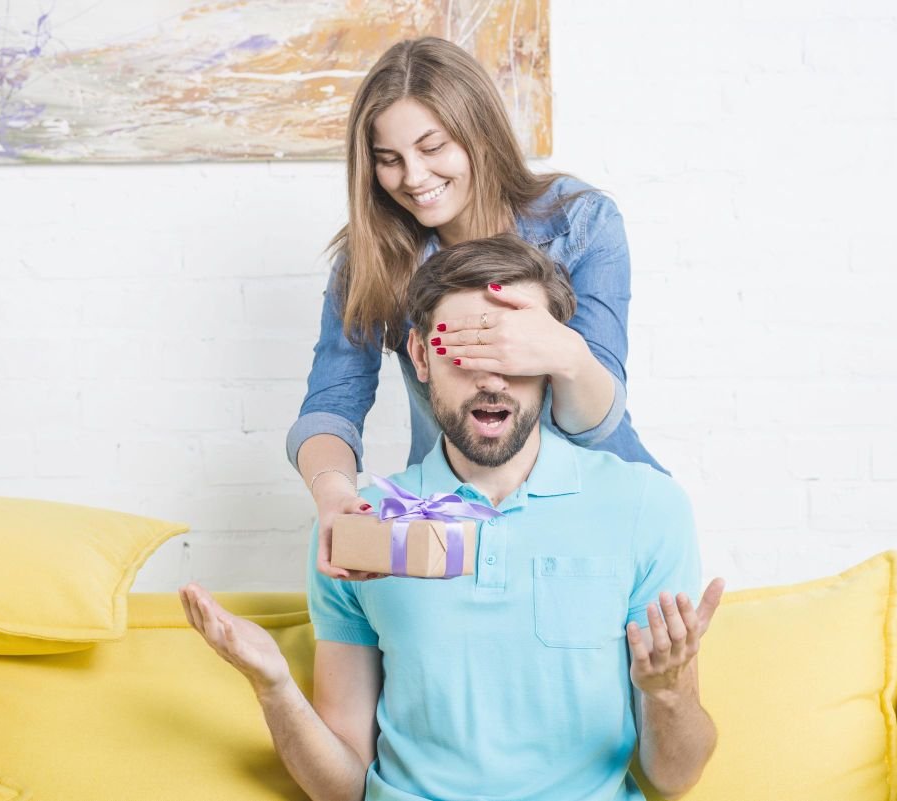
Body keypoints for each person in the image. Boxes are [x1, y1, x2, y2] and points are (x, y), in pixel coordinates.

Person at [183, 234, 723, 801]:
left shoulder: (645, 508)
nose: (491, 379)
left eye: (513, 352)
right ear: (420, 356)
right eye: (464, 351)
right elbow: (342, 788)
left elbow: (675, 777)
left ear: (552, 357)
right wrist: (273, 686)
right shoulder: (359, 526)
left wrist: (667, 692)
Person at [287, 37, 665, 582]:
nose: (414, 177)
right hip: (460, 524)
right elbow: (332, 404)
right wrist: (334, 494)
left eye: (432, 147)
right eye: (389, 160)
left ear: (479, 130)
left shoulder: (581, 224)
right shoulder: (372, 257)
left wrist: (560, 352)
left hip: (601, 513)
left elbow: (596, 421)